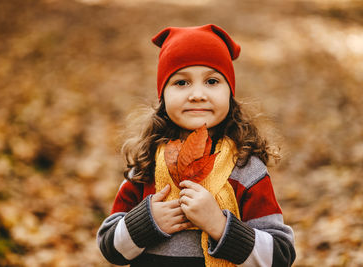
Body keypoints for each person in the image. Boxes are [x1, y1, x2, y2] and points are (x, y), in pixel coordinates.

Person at [97, 24, 296, 267]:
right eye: (181, 83)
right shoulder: (148, 163)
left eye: (212, 81)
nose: (197, 94)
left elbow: (280, 256)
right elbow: (109, 248)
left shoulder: (246, 170)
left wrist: (219, 226)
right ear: (163, 95)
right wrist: (146, 223)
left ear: (230, 93)